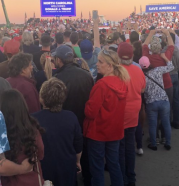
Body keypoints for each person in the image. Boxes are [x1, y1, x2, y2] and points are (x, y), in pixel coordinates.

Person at [84, 49, 129, 186]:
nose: (97, 64)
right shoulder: (122, 82)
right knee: (114, 163)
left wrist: (86, 104)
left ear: (109, 66)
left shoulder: (102, 85)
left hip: (98, 133)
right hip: (115, 131)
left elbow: (90, 112)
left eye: (100, 61)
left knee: (97, 168)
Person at [52, 44, 94, 186]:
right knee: (85, 154)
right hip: (85, 120)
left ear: (59, 60)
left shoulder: (57, 78)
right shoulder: (86, 74)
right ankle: (88, 180)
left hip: (66, 123)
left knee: (69, 154)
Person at [33, 78, 83, 186]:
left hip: (43, 168)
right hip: (67, 167)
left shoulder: (33, 119)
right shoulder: (71, 117)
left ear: (42, 98)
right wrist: (77, 161)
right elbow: (78, 144)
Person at [117, 42, 145, 186]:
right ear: (132, 55)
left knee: (120, 149)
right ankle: (131, 177)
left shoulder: (116, 71)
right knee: (129, 146)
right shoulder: (138, 70)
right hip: (134, 114)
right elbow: (142, 89)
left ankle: (122, 178)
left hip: (120, 115)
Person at [139, 55, 174, 151]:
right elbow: (171, 67)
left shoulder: (142, 77)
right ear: (149, 63)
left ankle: (153, 144)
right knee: (166, 123)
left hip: (151, 103)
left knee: (153, 124)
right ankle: (168, 143)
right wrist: (165, 57)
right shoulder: (158, 70)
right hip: (164, 100)